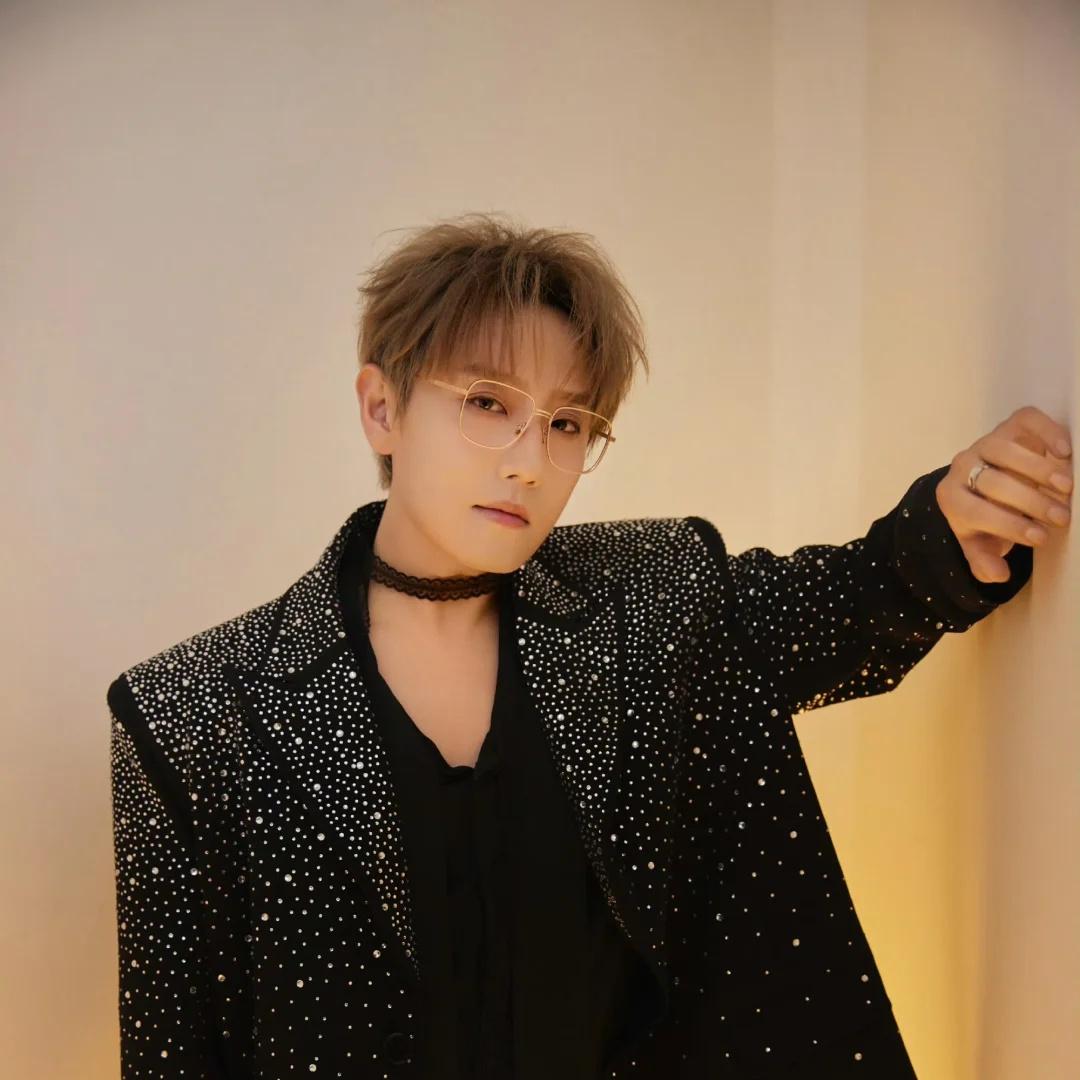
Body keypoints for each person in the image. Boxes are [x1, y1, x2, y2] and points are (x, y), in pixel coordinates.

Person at [107, 212, 1061, 1079]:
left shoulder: (652, 601)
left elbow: (852, 599)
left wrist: (958, 520)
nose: (530, 461)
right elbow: (173, 1055)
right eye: (488, 403)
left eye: (567, 422)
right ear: (382, 407)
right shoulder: (192, 718)